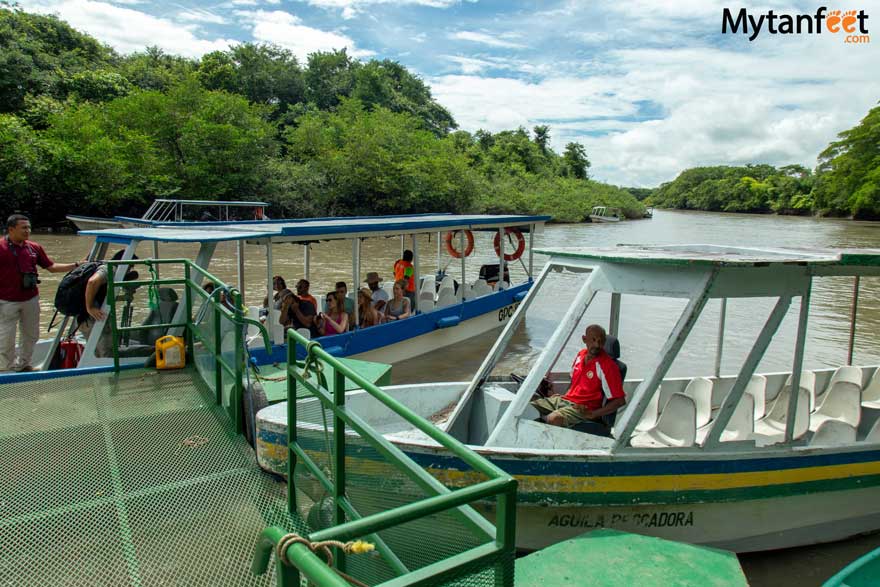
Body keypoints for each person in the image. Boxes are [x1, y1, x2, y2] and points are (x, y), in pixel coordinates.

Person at [0, 214, 79, 371]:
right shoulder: (1, 248)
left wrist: (76, 265)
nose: (27, 230)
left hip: (30, 298)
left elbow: (51, 267)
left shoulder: (33, 247)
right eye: (23, 227)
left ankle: (23, 365)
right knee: (6, 337)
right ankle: (5, 369)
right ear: (11, 229)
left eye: (29, 227)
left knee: (31, 335)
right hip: (6, 300)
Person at [531, 324, 625, 436]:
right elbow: (574, 382)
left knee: (554, 419)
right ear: (584, 339)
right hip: (565, 401)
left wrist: (594, 414)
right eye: (593, 340)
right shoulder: (581, 355)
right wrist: (562, 395)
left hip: (583, 408)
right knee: (528, 407)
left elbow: (620, 401)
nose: (597, 345)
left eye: (601, 341)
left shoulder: (607, 366)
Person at [80, 254, 139, 357]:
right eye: (130, 266)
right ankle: (107, 370)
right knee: (106, 353)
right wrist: (90, 308)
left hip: (84, 316)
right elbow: (92, 282)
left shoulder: (102, 267)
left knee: (96, 352)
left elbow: (105, 297)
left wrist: (124, 297)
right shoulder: (109, 269)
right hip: (93, 316)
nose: (130, 270)